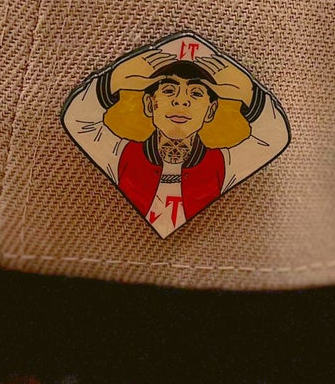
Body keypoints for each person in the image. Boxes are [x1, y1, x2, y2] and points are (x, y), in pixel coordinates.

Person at [61, 35, 289, 237]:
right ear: (149, 104)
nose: (181, 101)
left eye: (196, 93)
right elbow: (80, 121)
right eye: (169, 90)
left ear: (211, 111)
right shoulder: (120, 154)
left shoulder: (223, 165)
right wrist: (112, 82)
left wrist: (250, 96)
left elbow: (271, 138)